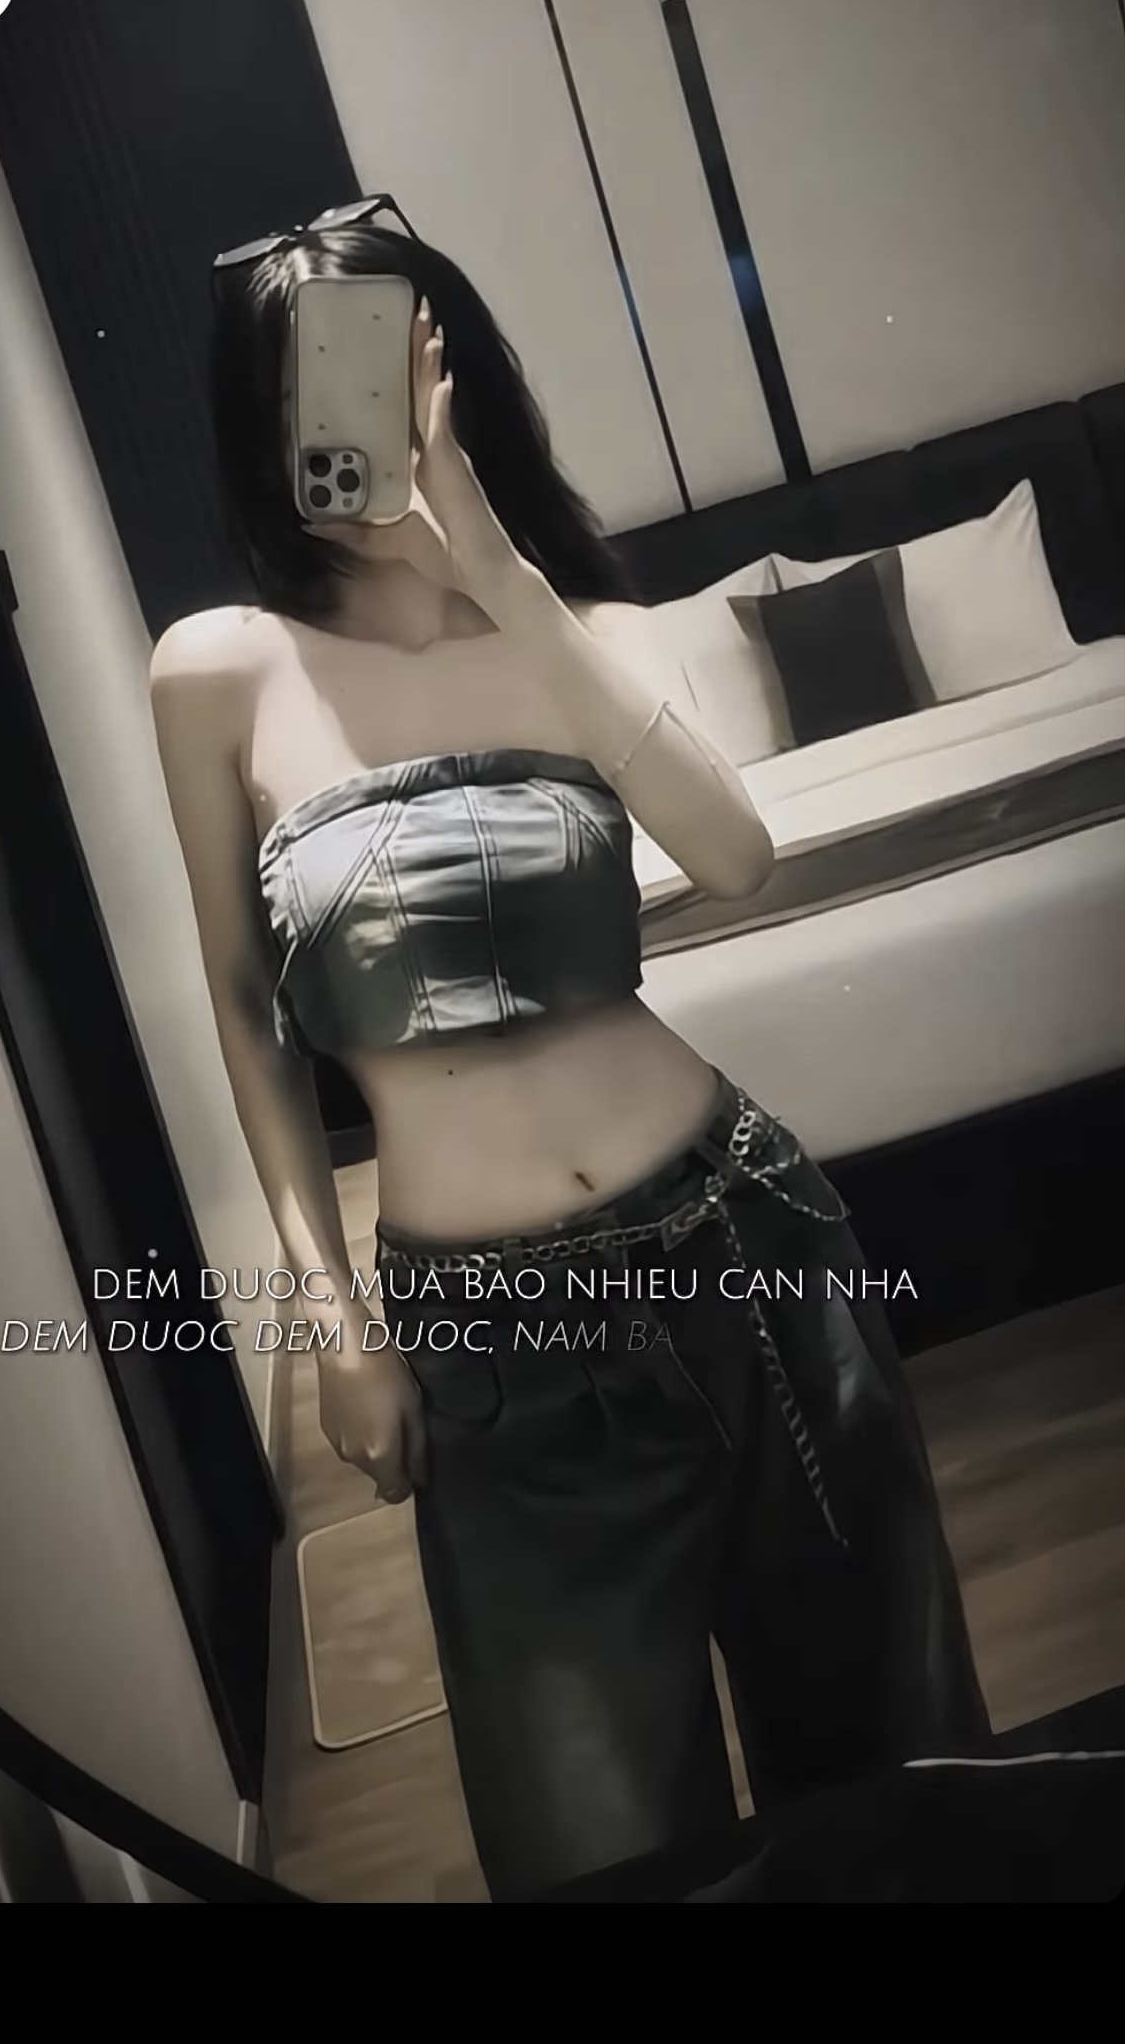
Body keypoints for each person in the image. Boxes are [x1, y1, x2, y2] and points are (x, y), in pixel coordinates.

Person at [151, 198, 990, 1903]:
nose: (350, 418)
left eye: (381, 367)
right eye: (307, 384)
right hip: (497, 1349)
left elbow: (734, 855)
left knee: (892, 1787)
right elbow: (244, 1005)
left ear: (446, 373)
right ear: (261, 421)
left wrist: (493, 571)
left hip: (754, 1258)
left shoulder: (584, 628)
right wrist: (333, 1319)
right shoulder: (217, 674)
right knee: (597, 1844)